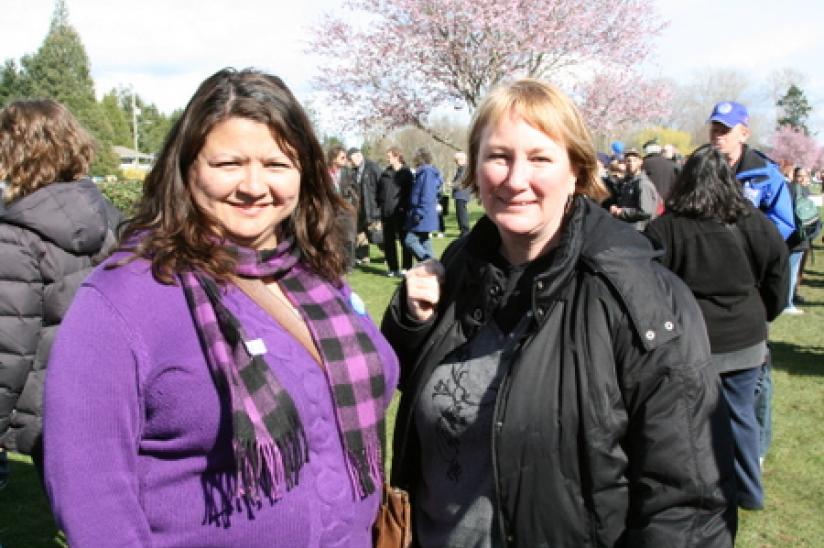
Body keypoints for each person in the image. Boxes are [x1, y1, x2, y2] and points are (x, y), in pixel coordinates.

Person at [43, 68, 399, 547]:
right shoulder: (125, 297)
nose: (254, 186)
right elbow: (90, 493)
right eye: (229, 164)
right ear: (187, 167)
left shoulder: (315, 278)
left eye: (277, 165)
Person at [382, 79, 736, 547]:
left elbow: (688, 501)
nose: (514, 179)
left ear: (576, 170)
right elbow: (404, 394)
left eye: (540, 158)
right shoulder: (459, 269)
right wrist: (411, 323)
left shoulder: (640, 296)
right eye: (499, 156)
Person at [645, 144, 789, 511]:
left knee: (690, 422)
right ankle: (747, 491)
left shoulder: (666, 229)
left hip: (695, 342)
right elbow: (778, 275)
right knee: (740, 416)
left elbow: (652, 288)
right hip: (743, 337)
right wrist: (765, 315)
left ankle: (703, 490)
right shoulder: (755, 222)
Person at [0, 99, 121, 482]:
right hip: (107, 392)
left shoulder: (14, 236)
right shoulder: (105, 214)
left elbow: (10, 347)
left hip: (48, 405)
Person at [708, 100, 795, 465]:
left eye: (725, 130)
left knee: (755, 368)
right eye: (714, 128)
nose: (718, 137)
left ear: (744, 133)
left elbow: (785, 224)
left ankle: (755, 447)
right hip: (708, 279)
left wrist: (748, 243)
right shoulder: (702, 168)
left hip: (750, 282)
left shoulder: (764, 174)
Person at [604, 147, 662, 231]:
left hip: (639, 230)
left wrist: (620, 212)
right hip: (628, 228)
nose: (631, 163)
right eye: (628, 160)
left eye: (634, 160)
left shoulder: (643, 183)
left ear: (640, 162)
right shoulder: (627, 182)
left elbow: (645, 211)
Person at [379, 146, 414, 277]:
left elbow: (410, 193)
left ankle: (406, 267)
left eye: (389, 156)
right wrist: (380, 207)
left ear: (397, 156)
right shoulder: (385, 174)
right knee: (388, 242)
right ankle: (392, 267)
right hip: (386, 213)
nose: (388, 159)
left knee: (405, 241)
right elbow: (380, 193)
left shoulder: (406, 173)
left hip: (401, 213)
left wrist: (403, 207)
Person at [403, 147, 441, 262]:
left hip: (423, 214)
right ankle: (434, 269)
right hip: (423, 213)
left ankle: (430, 264)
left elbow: (427, 195)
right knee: (425, 240)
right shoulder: (423, 172)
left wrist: (419, 213)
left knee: (410, 241)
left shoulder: (427, 172)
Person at [347, 147, 382, 264]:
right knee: (360, 234)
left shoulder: (372, 168)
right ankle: (363, 257)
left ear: (359, 156)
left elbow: (381, 187)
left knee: (376, 235)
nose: (351, 163)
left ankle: (388, 255)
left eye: (352, 160)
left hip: (372, 208)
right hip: (358, 209)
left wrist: (379, 206)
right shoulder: (353, 172)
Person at [452, 151, 472, 236]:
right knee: (459, 213)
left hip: (462, 194)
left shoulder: (464, 168)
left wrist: (452, 184)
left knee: (461, 213)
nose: (456, 163)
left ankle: (465, 230)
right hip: (460, 194)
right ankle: (463, 230)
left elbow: (461, 181)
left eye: (457, 161)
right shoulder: (462, 168)